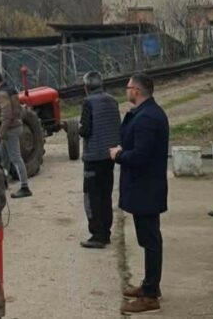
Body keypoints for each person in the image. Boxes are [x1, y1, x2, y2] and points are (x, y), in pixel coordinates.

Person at [110, 73, 168, 315]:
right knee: (148, 239)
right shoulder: (145, 113)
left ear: (136, 90)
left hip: (146, 187)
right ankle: (149, 285)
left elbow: (141, 156)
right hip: (144, 187)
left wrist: (119, 155)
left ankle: (150, 296)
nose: (126, 91)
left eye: (128, 87)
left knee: (150, 241)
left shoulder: (148, 118)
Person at [78, 71, 120, 249]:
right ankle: (106, 232)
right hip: (109, 155)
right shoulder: (113, 101)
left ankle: (97, 234)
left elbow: (85, 130)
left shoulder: (88, 102)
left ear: (86, 87)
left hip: (93, 156)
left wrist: (77, 129)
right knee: (105, 195)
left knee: (92, 196)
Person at [0, 72, 32, 199]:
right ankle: (3, 182)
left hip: (10, 129)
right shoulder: (11, 89)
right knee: (2, 155)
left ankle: (25, 187)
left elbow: (7, 115)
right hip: (16, 126)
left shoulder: (2, 94)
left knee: (16, 158)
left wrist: (2, 132)